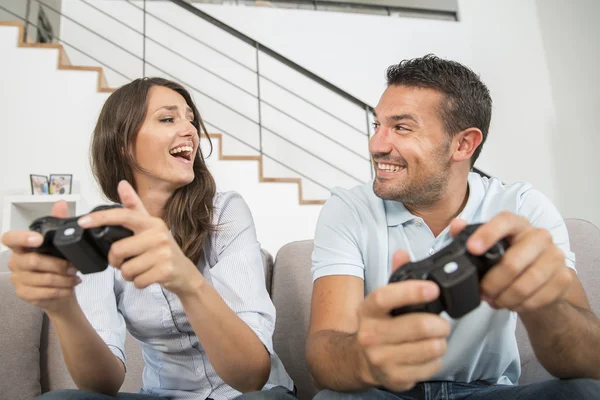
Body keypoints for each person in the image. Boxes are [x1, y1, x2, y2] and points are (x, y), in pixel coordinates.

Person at [306, 55, 600, 399]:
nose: (376, 145)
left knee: (585, 392)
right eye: (377, 125)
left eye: (401, 127)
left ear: (463, 144)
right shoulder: (349, 209)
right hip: (387, 393)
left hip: (486, 392)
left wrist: (541, 302)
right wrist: (364, 358)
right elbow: (324, 351)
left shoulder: (521, 209)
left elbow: (590, 364)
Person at [2, 77, 296, 400]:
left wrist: (186, 282)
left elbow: (251, 376)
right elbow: (101, 384)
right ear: (123, 144)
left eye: (191, 119)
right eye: (168, 118)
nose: (190, 130)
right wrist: (63, 308)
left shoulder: (225, 212)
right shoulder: (103, 231)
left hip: (249, 394)